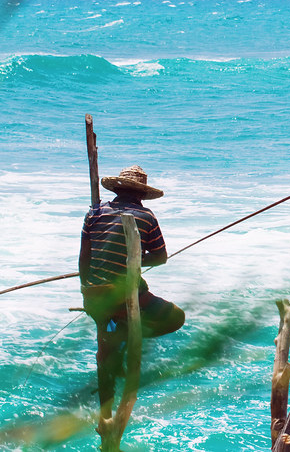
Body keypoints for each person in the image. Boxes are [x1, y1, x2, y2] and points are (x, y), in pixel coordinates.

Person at [79, 165, 185, 416]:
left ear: (117, 189)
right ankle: (124, 332)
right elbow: (160, 257)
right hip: (125, 297)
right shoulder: (146, 216)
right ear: (141, 194)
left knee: (104, 345)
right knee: (176, 317)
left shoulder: (94, 212)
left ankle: (105, 408)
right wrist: (135, 259)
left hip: (93, 295)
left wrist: (85, 291)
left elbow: (84, 257)